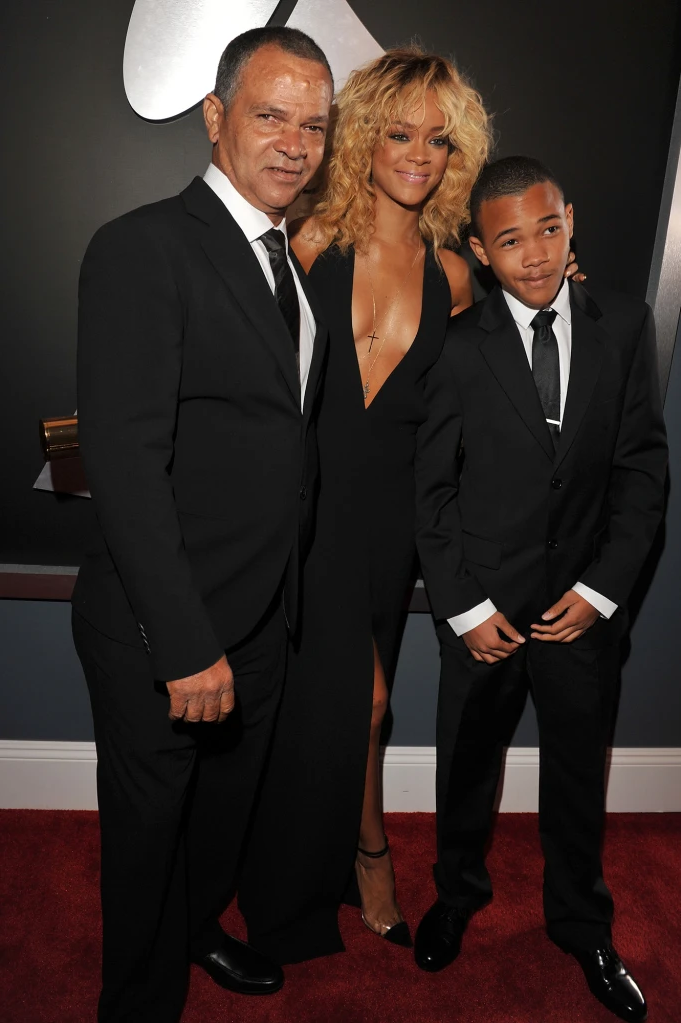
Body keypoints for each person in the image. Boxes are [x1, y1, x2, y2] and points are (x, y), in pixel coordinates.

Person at [71, 26, 333, 1023]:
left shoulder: (289, 263)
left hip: (265, 618)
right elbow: (126, 465)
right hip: (164, 630)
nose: (293, 143)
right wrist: (183, 647)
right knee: (146, 840)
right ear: (216, 117)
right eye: (270, 116)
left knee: (219, 820)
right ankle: (138, 999)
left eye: (313, 124)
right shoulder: (141, 248)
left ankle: (194, 933)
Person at [237, 48, 490, 961]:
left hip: (389, 524)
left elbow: (482, 396)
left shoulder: (458, 278)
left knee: (366, 705)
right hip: (303, 512)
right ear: (364, 139)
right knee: (330, 704)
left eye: (438, 139)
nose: (419, 154)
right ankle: (344, 860)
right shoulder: (308, 241)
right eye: (398, 132)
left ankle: (362, 852)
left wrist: (563, 281)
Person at [414, 156, 667, 1022]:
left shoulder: (625, 324)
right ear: (481, 252)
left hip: (581, 613)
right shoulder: (453, 348)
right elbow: (431, 491)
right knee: (468, 764)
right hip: (483, 610)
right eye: (510, 239)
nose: (534, 254)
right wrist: (466, 608)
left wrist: (601, 592)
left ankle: (582, 922)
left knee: (574, 775)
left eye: (548, 229)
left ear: (572, 224)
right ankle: (456, 893)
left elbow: (642, 471)